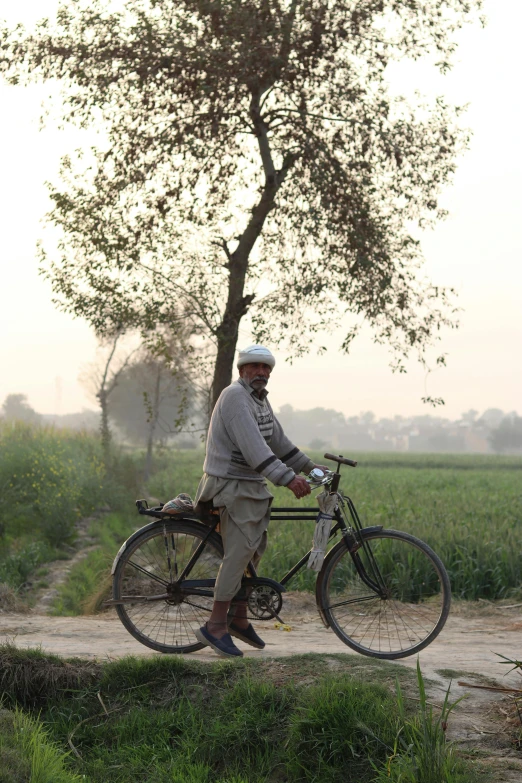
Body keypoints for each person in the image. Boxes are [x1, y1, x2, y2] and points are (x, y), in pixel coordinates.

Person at [194, 344, 324, 658]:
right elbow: (256, 450)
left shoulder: (259, 401)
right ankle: (214, 625)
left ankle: (239, 619)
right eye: (255, 367)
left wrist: (312, 467)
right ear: (242, 370)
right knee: (239, 556)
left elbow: (278, 442)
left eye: (266, 369)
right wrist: (289, 479)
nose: (261, 373)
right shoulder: (236, 397)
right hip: (230, 486)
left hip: (250, 488)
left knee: (253, 554)